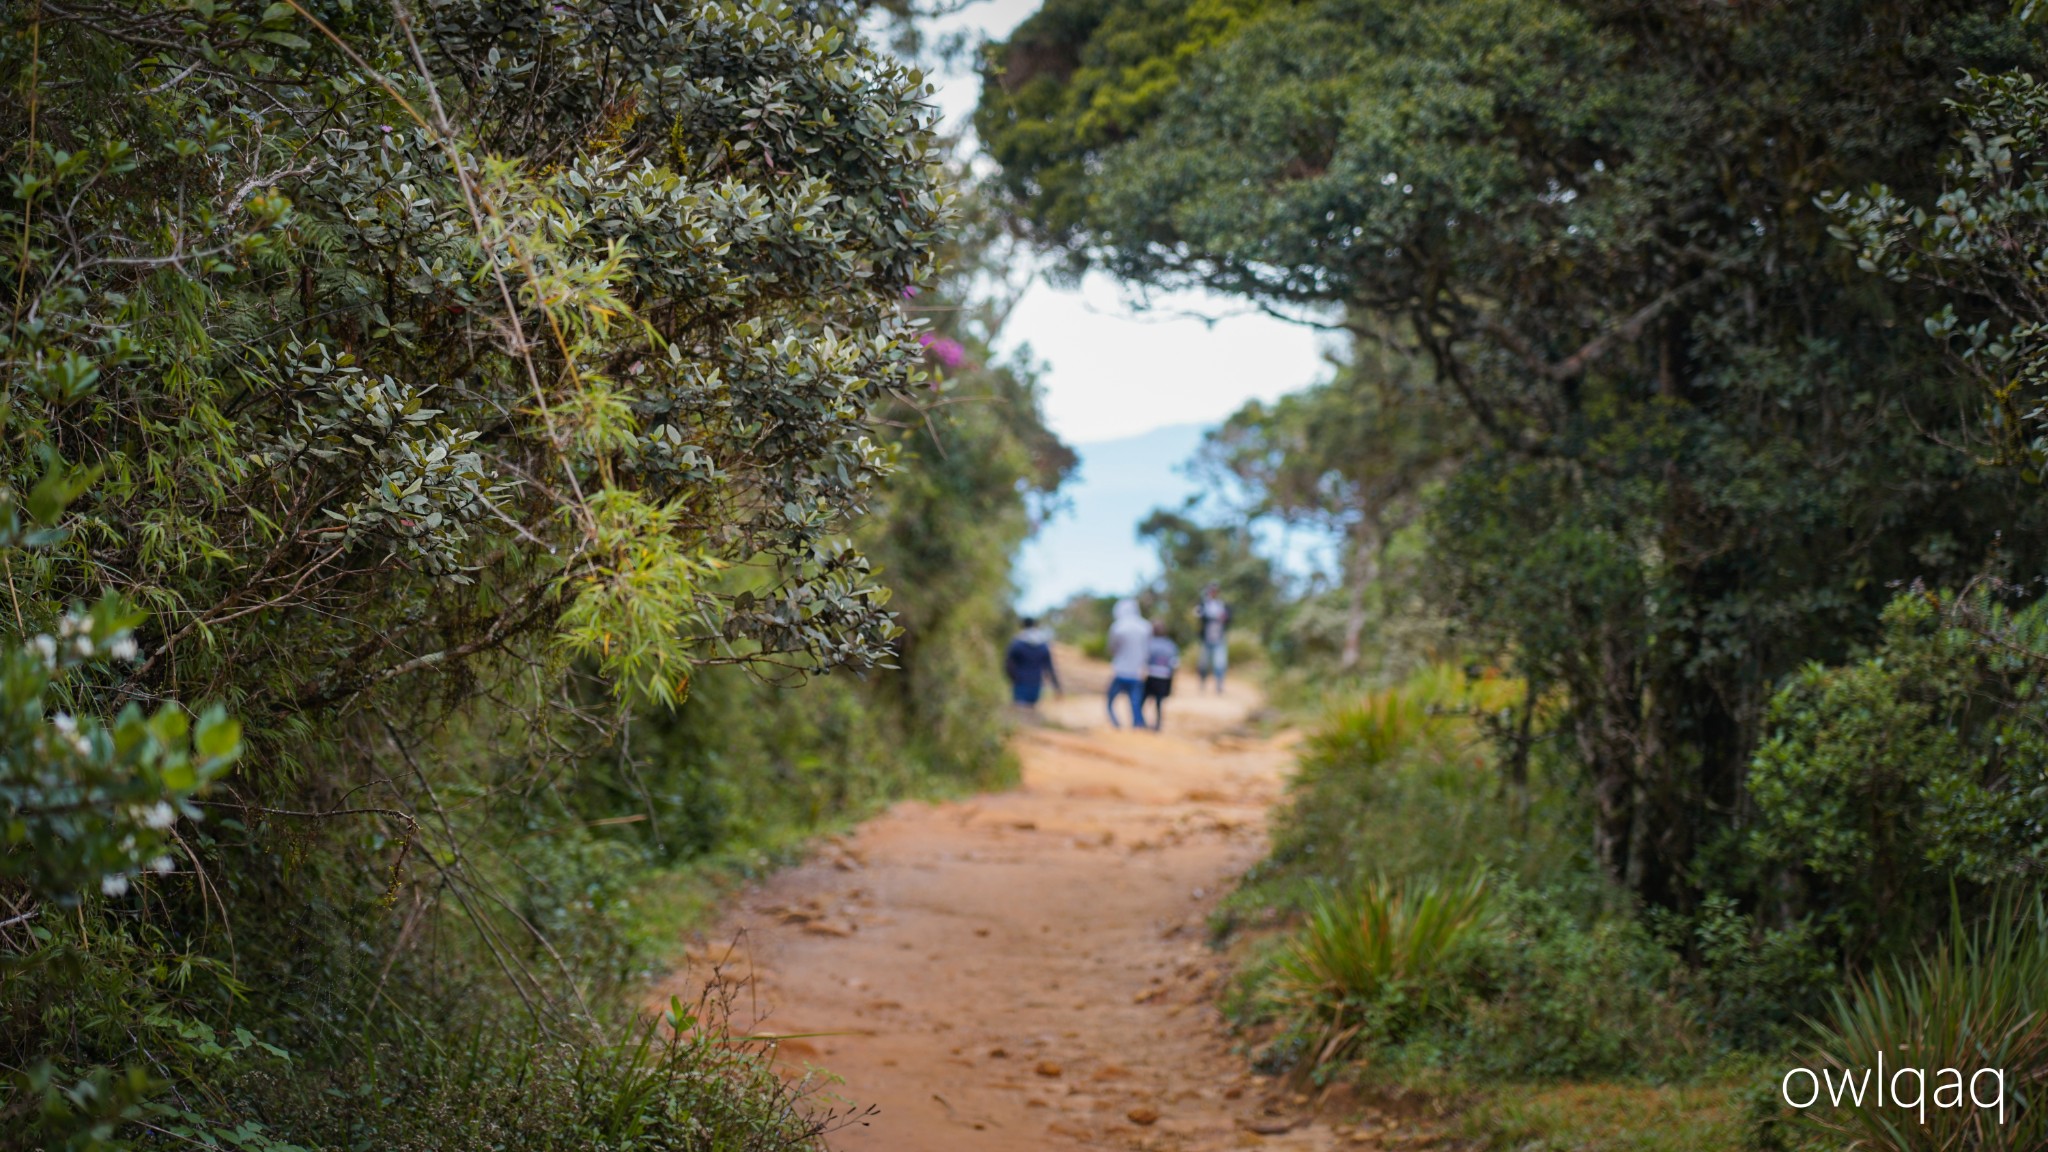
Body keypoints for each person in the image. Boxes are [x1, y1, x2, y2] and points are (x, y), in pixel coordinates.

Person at [1105, 598, 1152, 729]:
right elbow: (1148, 650)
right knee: (1135, 702)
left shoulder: (1118, 627)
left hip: (1120, 670)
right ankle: (1138, 724)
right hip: (1138, 672)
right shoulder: (1145, 627)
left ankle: (1116, 724)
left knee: (1110, 701)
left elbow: (1112, 648)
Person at [1004, 616, 1060, 708]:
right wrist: (1057, 687)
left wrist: (1013, 678)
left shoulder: (1017, 643)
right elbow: (1049, 667)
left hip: (1020, 683)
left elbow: (1008, 664)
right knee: (1031, 713)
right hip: (1036, 684)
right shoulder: (1043, 645)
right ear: (1035, 626)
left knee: (1021, 715)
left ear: (1022, 626)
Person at [1142, 622, 1180, 731]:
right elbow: (1174, 664)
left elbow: (1145, 660)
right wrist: (1173, 681)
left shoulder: (1150, 643)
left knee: (1142, 701)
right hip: (1165, 677)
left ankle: (1141, 722)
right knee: (1159, 702)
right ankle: (1158, 724)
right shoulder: (1171, 645)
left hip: (1151, 676)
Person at [1196, 584, 1231, 693]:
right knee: (1203, 663)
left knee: (1220, 663)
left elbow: (1229, 617)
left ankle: (1219, 685)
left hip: (1219, 638)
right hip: (1206, 639)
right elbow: (1199, 616)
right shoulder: (1203, 604)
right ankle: (1202, 684)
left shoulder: (1222, 605)